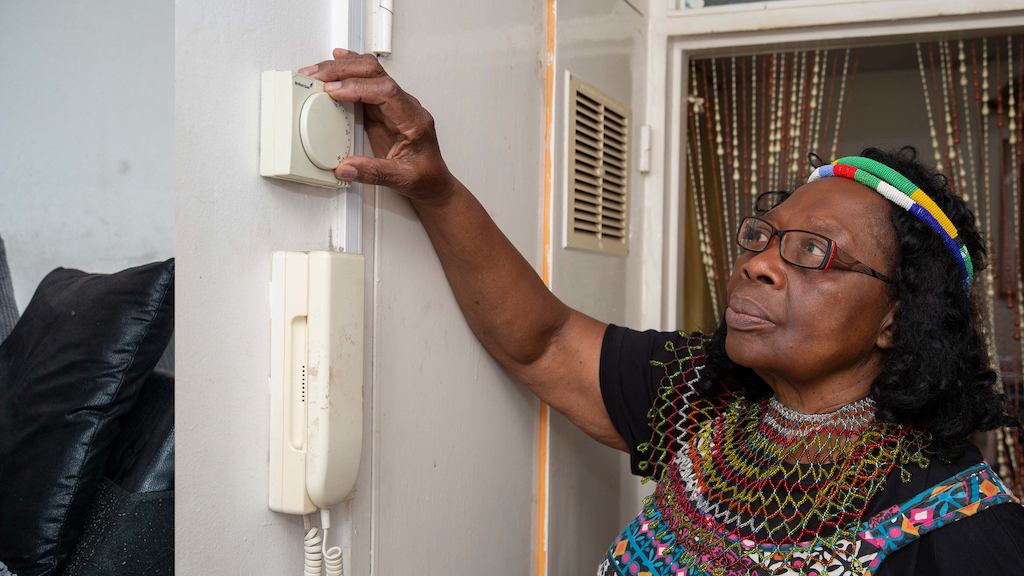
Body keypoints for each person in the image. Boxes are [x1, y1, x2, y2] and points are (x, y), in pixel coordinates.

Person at [298, 49, 1024, 575]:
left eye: (812, 250)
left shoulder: (964, 528)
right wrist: (435, 187)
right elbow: (543, 342)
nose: (759, 262)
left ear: (898, 315)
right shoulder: (705, 394)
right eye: (762, 235)